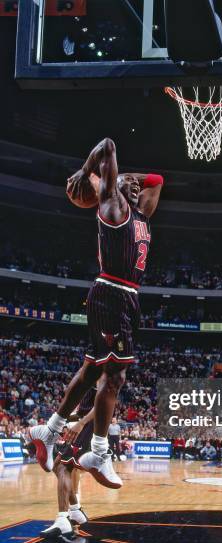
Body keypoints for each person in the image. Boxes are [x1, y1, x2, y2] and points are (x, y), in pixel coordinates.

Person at [27, 137, 163, 488]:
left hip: (125, 298)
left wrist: (126, 179)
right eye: (126, 183)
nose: (135, 185)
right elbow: (107, 145)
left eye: (134, 185)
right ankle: (99, 452)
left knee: (90, 371)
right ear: (112, 188)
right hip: (112, 294)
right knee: (114, 378)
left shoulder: (140, 213)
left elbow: (156, 180)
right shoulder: (112, 209)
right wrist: (90, 172)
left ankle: (50, 429)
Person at [40, 388, 97, 541]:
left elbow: (103, 405)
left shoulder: (100, 370)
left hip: (90, 426)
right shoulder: (89, 376)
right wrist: (58, 421)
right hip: (85, 424)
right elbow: (82, 411)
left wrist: (81, 423)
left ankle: (63, 518)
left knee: (63, 467)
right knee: (57, 466)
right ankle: (75, 510)